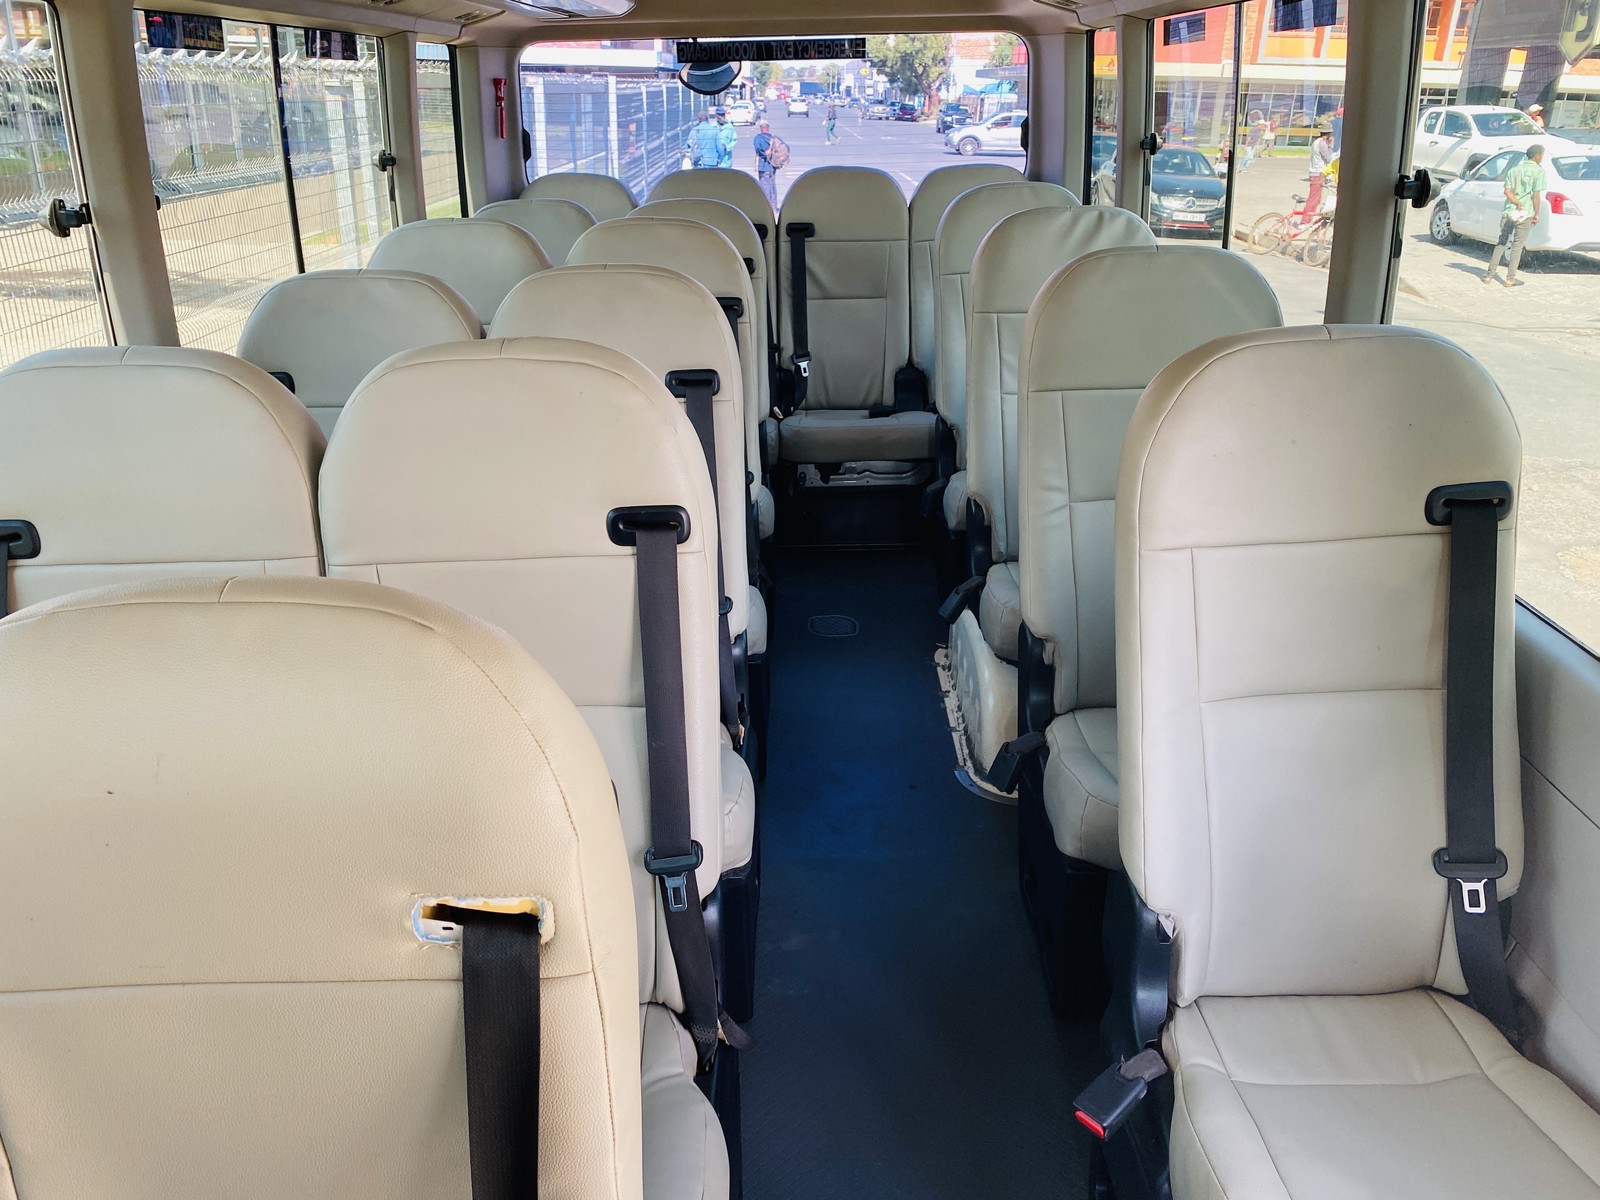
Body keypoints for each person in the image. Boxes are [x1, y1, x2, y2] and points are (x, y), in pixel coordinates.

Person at [1485, 143, 1546, 288]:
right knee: (1517, 246)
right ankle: (1510, 278)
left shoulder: (1513, 170)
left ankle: (1489, 275)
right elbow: (1536, 196)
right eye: (1542, 155)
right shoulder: (1539, 171)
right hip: (1525, 213)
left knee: (1502, 242)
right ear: (1537, 156)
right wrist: (1537, 213)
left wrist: (1515, 202)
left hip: (1509, 212)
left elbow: (1507, 191)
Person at [1305, 128, 1336, 221]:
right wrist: (1331, 145)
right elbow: (1328, 158)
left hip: (1314, 172)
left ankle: (1308, 219)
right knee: (1313, 199)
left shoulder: (1316, 142)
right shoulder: (1322, 143)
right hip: (1318, 173)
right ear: (1328, 134)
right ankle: (1305, 220)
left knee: (1316, 199)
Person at [753, 118, 778, 207]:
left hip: (763, 165)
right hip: (773, 165)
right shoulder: (773, 138)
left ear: (761, 128)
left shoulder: (758, 138)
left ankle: (767, 206)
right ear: (768, 128)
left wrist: (765, 153)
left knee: (765, 186)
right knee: (772, 185)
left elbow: (758, 149)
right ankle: (774, 205)